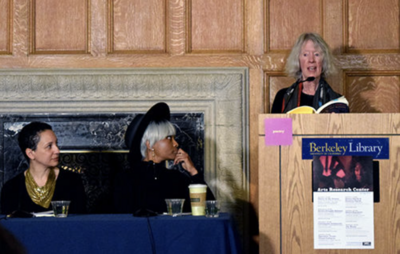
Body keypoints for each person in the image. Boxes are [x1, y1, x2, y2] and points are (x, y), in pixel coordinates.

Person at [113, 102, 214, 216]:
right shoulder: (125, 180)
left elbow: (210, 209)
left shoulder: (177, 179)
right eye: (169, 138)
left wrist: (194, 172)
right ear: (150, 145)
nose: (176, 144)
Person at [0, 122, 87, 215]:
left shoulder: (72, 181)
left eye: (56, 144)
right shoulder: (12, 188)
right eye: (49, 146)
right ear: (31, 153)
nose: (57, 150)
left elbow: (80, 223)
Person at [271, 32, 342, 113]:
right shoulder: (283, 98)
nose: (311, 60)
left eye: (317, 54)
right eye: (305, 54)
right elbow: (274, 126)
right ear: (298, 60)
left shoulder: (337, 102)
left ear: (324, 61)